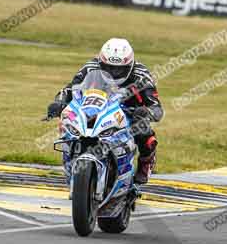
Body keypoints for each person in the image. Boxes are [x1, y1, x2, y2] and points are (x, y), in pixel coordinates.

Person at [47, 38, 163, 184]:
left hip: (128, 111)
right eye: (108, 68)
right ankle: (72, 157)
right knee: (68, 120)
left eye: (119, 69)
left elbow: (157, 109)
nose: (113, 73)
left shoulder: (142, 76)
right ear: (101, 63)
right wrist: (59, 102)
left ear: (130, 65)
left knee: (142, 128)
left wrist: (146, 112)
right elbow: (70, 89)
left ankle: (146, 161)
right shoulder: (90, 67)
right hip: (97, 106)